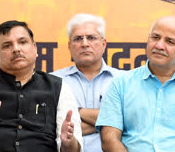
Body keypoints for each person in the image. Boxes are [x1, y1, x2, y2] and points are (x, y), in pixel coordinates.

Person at [95, 16, 175, 152]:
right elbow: (109, 138)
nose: (159, 45)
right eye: (155, 37)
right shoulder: (120, 83)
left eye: (170, 41)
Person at [0, 20, 83, 151]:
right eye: (7, 45)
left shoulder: (58, 87)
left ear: (35, 48)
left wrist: (68, 143)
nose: (16, 49)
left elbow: (73, 150)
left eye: (22, 42)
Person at [51, 13, 123, 151]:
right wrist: (111, 127)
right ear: (69, 46)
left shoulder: (124, 80)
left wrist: (79, 111)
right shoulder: (54, 81)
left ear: (103, 44)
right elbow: (52, 129)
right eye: (78, 39)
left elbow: (129, 122)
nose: (84, 44)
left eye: (91, 38)